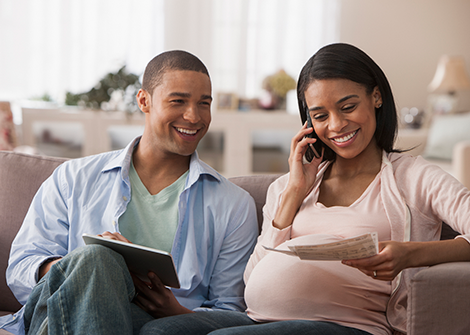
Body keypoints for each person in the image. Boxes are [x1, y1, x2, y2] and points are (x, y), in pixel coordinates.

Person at [140, 43, 470, 335]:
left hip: (349, 325)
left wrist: (411, 254)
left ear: (376, 97)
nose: (336, 125)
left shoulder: (414, 176)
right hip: (256, 320)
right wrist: (294, 193)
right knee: (161, 330)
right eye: (320, 115)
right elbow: (252, 280)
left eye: (348, 106)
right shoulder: (290, 186)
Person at [1, 50, 258, 335]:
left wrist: (176, 312)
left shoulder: (234, 205)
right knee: (98, 259)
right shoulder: (73, 178)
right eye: (178, 101)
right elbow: (22, 268)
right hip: (61, 309)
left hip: (155, 326)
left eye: (204, 104)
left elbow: (229, 312)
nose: (193, 116)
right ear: (143, 101)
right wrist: (86, 271)